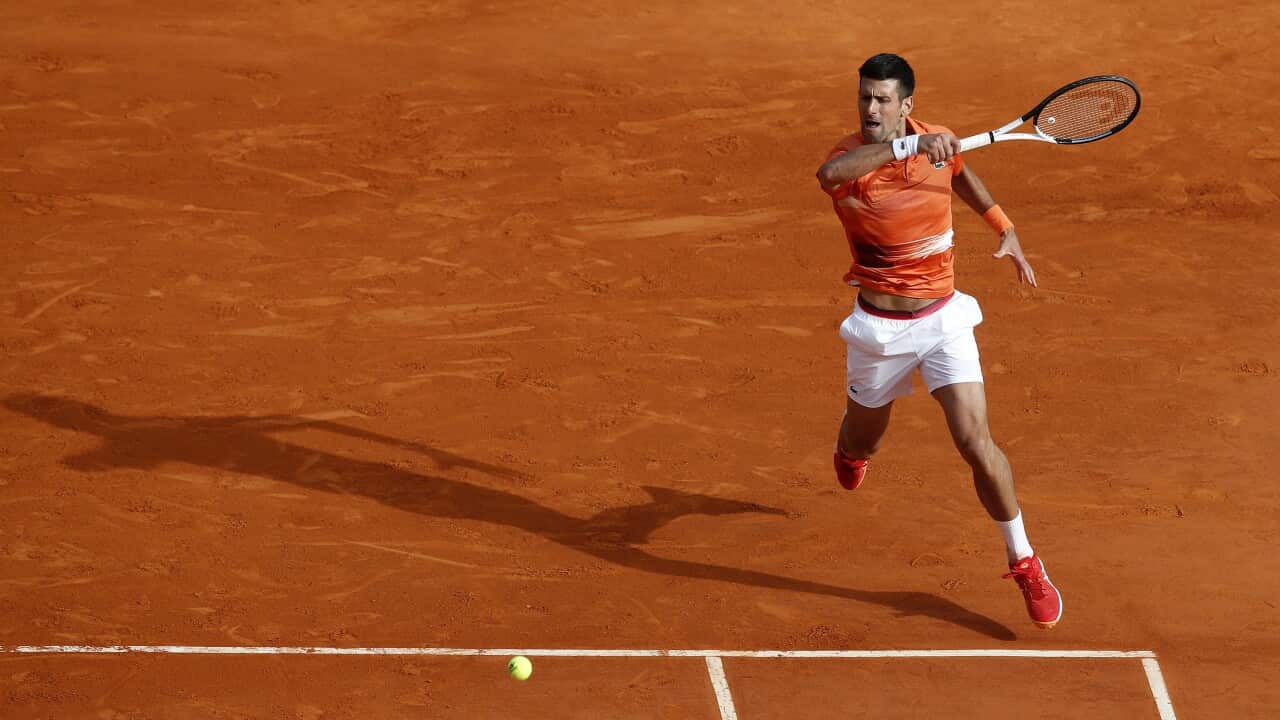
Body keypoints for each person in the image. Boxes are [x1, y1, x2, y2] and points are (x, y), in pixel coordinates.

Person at [815, 53, 1062, 629]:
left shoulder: (942, 143)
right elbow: (831, 177)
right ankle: (851, 450)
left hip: (943, 321)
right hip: (878, 331)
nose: (870, 108)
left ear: (907, 105)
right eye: (864, 98)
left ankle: (1024, 560)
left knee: (976, 441)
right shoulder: (849, 160)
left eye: (882, 100)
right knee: (864, 442)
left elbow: (964, 176)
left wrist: (1006, 228)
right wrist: (908, 149)